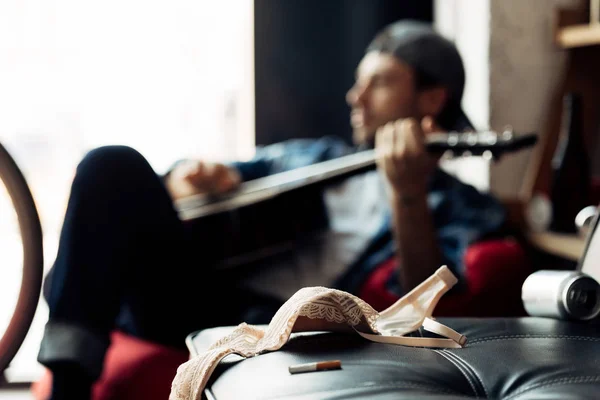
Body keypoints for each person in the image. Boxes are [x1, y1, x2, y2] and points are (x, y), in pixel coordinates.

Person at [37, 20, 506, 399]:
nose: (355, 99)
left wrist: (408, 193)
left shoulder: (464, 208)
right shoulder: (315, 155)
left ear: (432, 99)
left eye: (378, 84)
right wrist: (191, 175)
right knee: (111, 163)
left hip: (273, 327)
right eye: (358, 85)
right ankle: (68, 386)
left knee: (68, 273)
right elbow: (214, 175)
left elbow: (421, 307)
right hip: (195, 290)